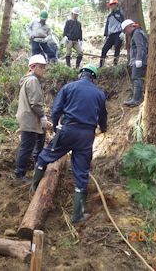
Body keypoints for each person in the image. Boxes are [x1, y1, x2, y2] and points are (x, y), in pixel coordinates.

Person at [30, 64, 108, 223]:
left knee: (45, 156)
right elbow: (102, 116)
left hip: (68, 130)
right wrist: (104, 128)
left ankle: (34, 187)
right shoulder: (99, 94)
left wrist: (56, 123)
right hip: (86, 135)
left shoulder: (69, 87)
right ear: (93, 77)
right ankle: (77, 215)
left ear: (81, 75)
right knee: (81, 172)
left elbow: (56, 108)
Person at [14, 54, 49, 181]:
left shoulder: (28, 80)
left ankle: (33, 167)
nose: (43, 70)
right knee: (27, 146)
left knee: (34, 143)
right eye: (42, 67)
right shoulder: (33, 80)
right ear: (33, 67)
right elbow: (35, 103)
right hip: (30, 118)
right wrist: (43, 116)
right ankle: (19, 174)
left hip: (27, 117)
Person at [121, 19, 148, 107]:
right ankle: (136, 98)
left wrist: (139, 59)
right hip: (137, 60)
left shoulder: (137, 33)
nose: (126, 33)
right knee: (137, 78)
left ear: (129, 27)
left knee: (137, 78)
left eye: (125, 30)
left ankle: (136, 100)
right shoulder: (138, 32)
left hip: (139, 60)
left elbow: (141, 47)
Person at [100, 0, 125, 67]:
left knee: (117, 48)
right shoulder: (110, 15)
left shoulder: (121, 13)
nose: (112, 6)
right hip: (111, 35)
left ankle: (115, 64)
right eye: (111, 5)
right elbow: (107, 26)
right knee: (104, 49)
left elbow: (124, 23)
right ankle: (101, 65)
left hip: (118, 34)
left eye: (113, 5)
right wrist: (105, 35)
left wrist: (123, 32)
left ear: (116, 5)